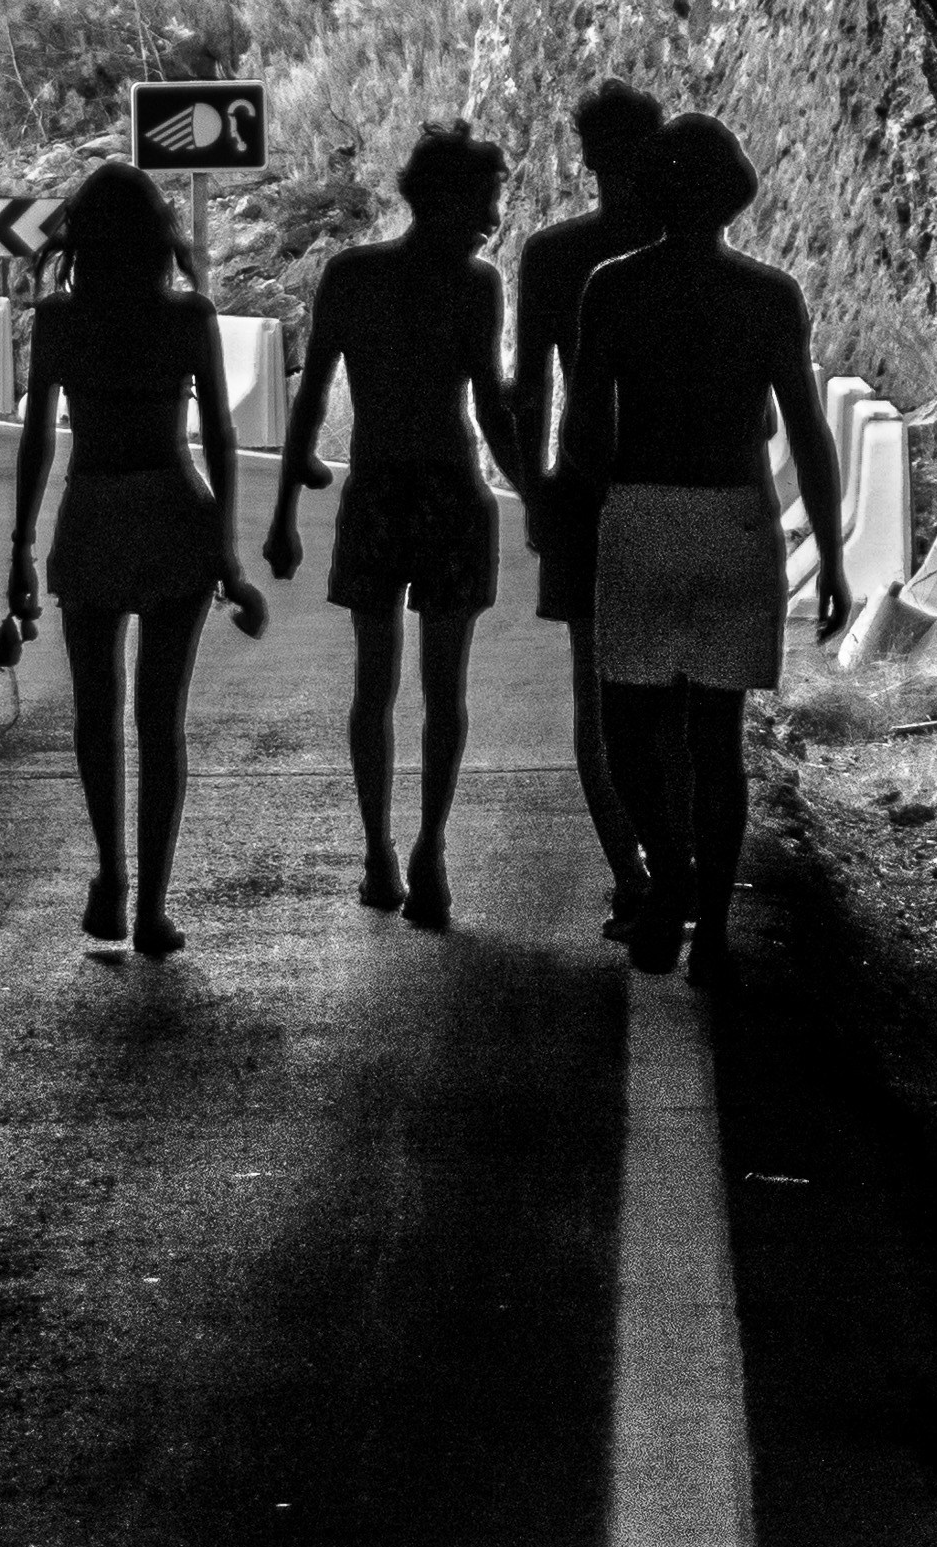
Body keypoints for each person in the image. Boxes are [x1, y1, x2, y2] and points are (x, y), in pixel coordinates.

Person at [563, 114, 848, 984]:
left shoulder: (610, 288)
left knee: (626, 723)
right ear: (733, 191)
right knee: (716, 735)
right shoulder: (771, 294)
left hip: (644, 514)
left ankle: (668, 875)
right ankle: (714, 932)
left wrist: (581, 510)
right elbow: (807, 432)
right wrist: (830, 555)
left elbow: (581, 433)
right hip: (735, 521)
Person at [2, 160, 276, 956]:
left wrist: (20, 548)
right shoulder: (188, 316)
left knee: (97, 711)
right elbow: (220, 437)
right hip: (170, 514)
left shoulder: (58, 321)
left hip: (90, 514)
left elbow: (39, 439)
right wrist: (226, 551)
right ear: (159, 234)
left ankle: (111, 878)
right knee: (161, 721)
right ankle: (153, 904)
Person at [262, 123, 521, 927]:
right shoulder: (467, 285)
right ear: (441, 198)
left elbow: (312, 398)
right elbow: (487, 404)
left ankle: (399, 848)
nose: (490, 217)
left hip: (383, 492)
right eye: (482, 200)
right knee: (432, 689)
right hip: (443, 493)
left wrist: (284, 512)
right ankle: (412, 849)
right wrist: (533, 495)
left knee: (386, 685)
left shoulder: (356, 275)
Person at [509, 80, 667, 940]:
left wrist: (534, 492)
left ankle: (632, 875)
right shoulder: (678, 248)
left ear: (585, 155)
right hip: (672, 484)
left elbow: (531, 388)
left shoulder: (552, 254)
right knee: (673, 692)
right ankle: (670, 866)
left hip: (583, 488)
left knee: (597, 698)